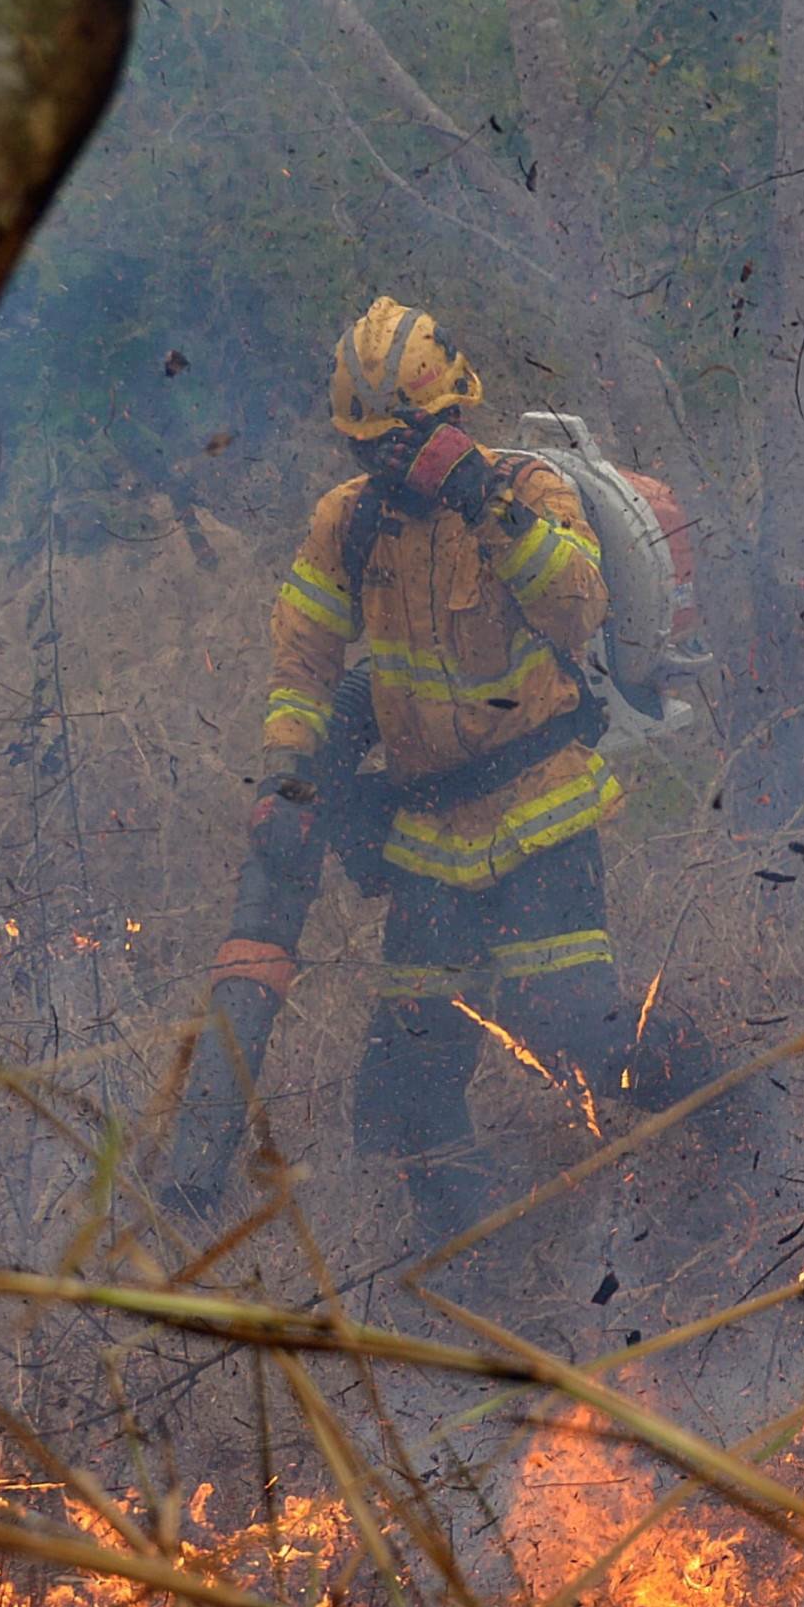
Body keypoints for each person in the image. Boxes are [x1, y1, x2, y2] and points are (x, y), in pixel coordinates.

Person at [194, 294, 651, 1251]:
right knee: (401, 1103)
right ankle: (484, 1272)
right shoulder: (348, 524)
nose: (391, 464)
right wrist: (286, 776)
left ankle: (724, 1151)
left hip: (542, 820)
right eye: (371, 447)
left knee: (590, 1038)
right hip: (432, 845)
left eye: (410, 439)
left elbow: (579, 610)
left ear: (454, 417)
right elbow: (305, 661)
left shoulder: (524, 492)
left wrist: (483, 503)